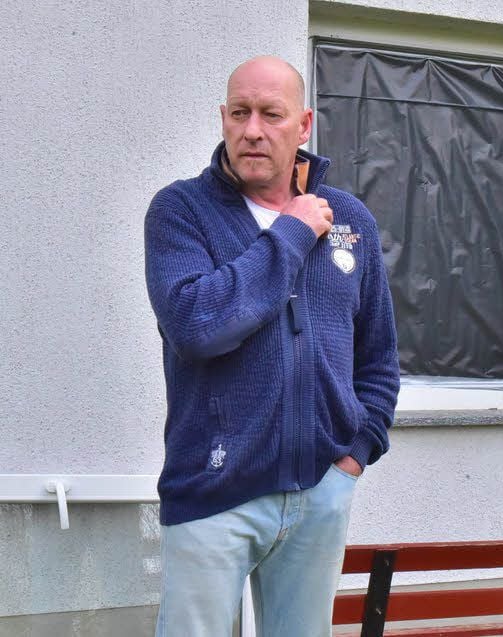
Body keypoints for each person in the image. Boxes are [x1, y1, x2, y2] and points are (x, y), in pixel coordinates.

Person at [144, 56, 400, 637]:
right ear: (223, 119)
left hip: (320, 490)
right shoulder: (181, 211)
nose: (252, 130)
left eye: (271, 114)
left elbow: (379, 358)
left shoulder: (350, 221)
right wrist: (292, 231)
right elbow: (197, 327)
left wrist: (353, 457)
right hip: (212, 491)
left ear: (303, 125)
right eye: (240, 113)